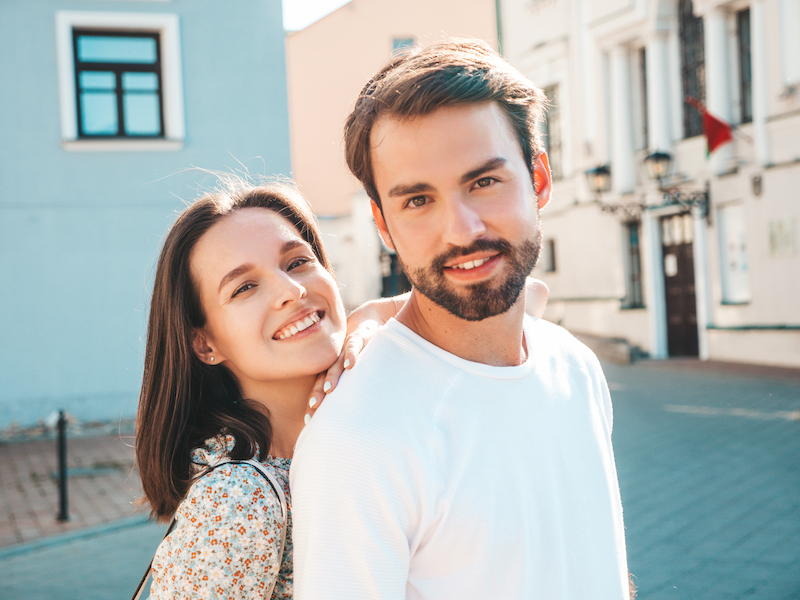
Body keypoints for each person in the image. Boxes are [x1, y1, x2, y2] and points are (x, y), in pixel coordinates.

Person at [290, 39, 632, 599]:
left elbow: (602, 566)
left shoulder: (577, 368)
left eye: (484, 181)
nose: (462, 229)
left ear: (539, 179)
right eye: (418, 201)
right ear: (383, 224)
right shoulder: (356, 440)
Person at [135, 179, 549, 599]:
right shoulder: (240, 499)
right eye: (244, 287)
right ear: (205, 343)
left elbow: (527, 297)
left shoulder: (364, 415)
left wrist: (382, 311)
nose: (292, 291)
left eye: (297, 262)